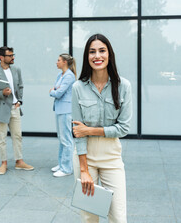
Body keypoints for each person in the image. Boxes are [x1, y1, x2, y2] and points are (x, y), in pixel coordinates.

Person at [71, 34, 132, 223]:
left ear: (109, 54)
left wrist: (90, 130)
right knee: (89, 217)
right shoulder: (78, 87)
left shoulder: (123, 86)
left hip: (112, 158)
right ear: (87, 57)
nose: (97, 55)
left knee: (118, 216)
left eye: (101, 50)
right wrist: (83, 169)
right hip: (85, 158)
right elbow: (77, 132)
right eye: (92, 51)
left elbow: (123, 128)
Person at [0, 46, 34, 175]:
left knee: (17, 136)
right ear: (2, 57)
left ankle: (19, 162)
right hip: (0, 109)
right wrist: (1, 93)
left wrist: (20, 101)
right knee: (2, 138)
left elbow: (20, 86)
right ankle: (3, 163)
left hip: (15, 107)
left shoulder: (16, 70)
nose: (13, 57)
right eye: (10, 55)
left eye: (13, 55)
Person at [49, 53, 76, 177]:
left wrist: (53, 91)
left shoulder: (69, 76)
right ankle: (61, 164)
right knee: (61, 138)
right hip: (60, 109)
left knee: (66, 140)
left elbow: (58, 92)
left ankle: (67, 168)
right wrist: (55, 90)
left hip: (66, 110)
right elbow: (57, 88)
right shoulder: (61, 75)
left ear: (64, 62)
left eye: (58, 60)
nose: (56, 62)